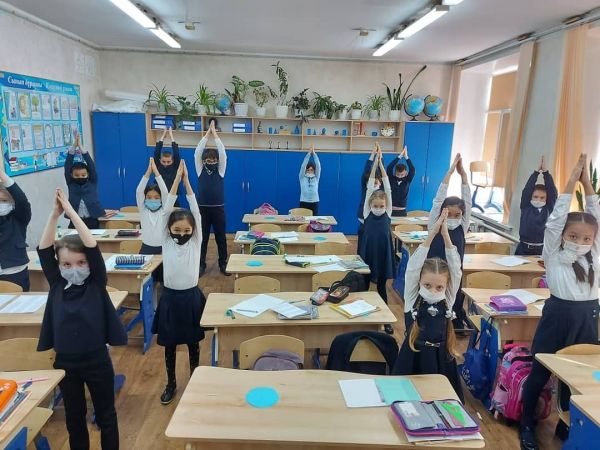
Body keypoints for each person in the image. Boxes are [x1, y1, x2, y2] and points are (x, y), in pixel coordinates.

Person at [519, 154, 600, 450]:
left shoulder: (595, 255)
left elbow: (596, 215)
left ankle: (568, 424)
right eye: (573, 236)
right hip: (557, 314)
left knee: (575, 377)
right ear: (564, 236)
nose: (580, 242)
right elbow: (554, 221)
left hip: (588, 316)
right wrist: (570, 181)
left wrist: (588, 185)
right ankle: (526, 424)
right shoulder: (553, 254)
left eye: (587, 238)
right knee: (540, 372)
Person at [37, 188, 127, 450]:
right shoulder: (57, 284)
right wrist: (55, 215)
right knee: (74, 420)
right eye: (66, 265)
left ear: (89, 264)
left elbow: (92, 247)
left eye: (80, 263)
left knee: (106, 416)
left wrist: (71, 212)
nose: (74, 269)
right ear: (59, 266)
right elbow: (44, 249)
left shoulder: (96, 282)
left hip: (97, 361)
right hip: (66, 364)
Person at [393, 208, 464, 401]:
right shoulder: (412, 298)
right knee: (408, 400)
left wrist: (446, 236)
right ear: (419, 282)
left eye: (439, 287)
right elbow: (413, 267)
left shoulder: (447, 299)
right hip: (413, 357)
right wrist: (432, 233)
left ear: (446, 287)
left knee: (442, 400)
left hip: (442, 359)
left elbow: (456, 270)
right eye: (427, 285)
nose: (433, 291)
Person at [152, 160, 206, 405]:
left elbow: (196, 212)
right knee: (170, 345)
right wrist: (176, 181)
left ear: (193, 231)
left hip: (191, 297)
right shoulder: (166, 240)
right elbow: (166, 211)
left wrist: (187, 183)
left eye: (186, 231)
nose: (182, 234)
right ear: (169, 229)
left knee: (194, 343)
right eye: (177, 230)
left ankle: (195, 381)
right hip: (170, 299)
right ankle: (171, 383)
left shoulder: (195, 241)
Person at [427, 153, 471, 330]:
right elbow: (438, 200)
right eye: (448, 214)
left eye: (457, 215)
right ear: (442, 213)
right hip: (433, 272)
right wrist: (450, 173)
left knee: (452, 301)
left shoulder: (463, 226)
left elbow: (467, 201)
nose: (453, 218)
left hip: (454, 273)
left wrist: (464, 177)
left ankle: (451, 324)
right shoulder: (435, 224)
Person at [358, 144, 395, 334]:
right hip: (368, 253)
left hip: (382, 254)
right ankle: (359, 314)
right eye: (376, 205)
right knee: (364, 285)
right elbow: (369, 186)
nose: (379, 208)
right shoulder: (367, 211)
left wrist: (381, 165)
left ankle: (386, 320)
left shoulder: (388, 213)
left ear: (386, 205)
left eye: (381, 205)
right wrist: (375, 165)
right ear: (370, 204)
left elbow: (387, 187)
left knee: (381, 287)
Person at [194, 120, 229, 276]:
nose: (211, 162)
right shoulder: (200, 170)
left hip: (218, 209)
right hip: (202, 209)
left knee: (221, 238)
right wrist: (207, 134)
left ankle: (223, 264)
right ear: (203, 162)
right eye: (208, 160)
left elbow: (222, 153)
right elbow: (197, 152)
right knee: (202, 239)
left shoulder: (220, 170)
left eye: (214, 160)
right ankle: (201, 265)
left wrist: (215, 135)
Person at [64, 131, 115, 229]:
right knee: (73, 238)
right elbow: (67, 166)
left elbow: (91, 166)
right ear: (71, 175)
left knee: (93, 238)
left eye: (83, 175)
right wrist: (74, 145)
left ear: (88, 174)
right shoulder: (71, 183)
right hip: (75, 220)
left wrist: (81, 147)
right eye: (77, 175)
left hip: (92, 220)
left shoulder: (92, 182)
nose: (80, 177)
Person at [0, 151, 31, 291]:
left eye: (4, 200)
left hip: (15, 271)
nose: (1, 204)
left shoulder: (19, 218)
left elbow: (22, 201)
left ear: (12, 203)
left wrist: (3, 176)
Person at [516, 156, 557, 256]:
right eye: (535, 197)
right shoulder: (525, 206)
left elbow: (552, 191)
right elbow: (527, 190)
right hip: (523, 248)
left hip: (541, 249)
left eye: (542, 198)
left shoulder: (548, 208)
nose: (538, 200)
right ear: (531, 197)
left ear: (546, 199)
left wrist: (546, 173)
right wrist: (536, 172)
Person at [135, 158, 169, 255]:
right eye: (149, 197)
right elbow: (139, 191)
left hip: (163, 247)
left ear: (161, 199)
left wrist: (156, 172)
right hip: (146, 247)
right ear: (145, 198)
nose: (152, 200)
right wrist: (148, 172)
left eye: (156, 197)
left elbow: (165, 192)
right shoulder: (143, 210)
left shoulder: (164, 210)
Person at [357, 146, 384, 249]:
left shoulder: (381, 192)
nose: (373, 184)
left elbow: (382, 171)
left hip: (376, 221)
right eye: (371, 182)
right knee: (362, 245)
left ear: (380, 183)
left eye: (375, 182)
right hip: (364, 221)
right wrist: (372, 155)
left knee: (372, 245)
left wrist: (380, 157)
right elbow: (366, 171)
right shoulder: (366, 189)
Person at [153, 127, 181, 204]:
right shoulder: (158, 166)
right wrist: (163, 136)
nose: (166, 164)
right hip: (159, 196)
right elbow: (157, 152)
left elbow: (176, 153)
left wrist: (171, 137)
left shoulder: (175, 166)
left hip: (172, 196)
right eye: (164, 162)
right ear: (160, 160)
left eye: (168, 162)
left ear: (173, 161)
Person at [386, 146, 415, 217]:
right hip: (390, 210)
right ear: (395, 173)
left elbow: (412, 169)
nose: (399, 176)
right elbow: (389, 167)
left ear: (405, 173)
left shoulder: (407, 180)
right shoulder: (391, 179)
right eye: (398, 174)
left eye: (402, 175)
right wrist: (399, 157)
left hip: (402, 211)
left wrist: (406, 157)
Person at [299, 145, 321, 215]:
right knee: (303, 220)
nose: (309, 171)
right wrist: (308, 154)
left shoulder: (316, 177)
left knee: (313, 220)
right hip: (304, 202)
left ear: (314, 170)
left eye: (311, 170)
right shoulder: (302, 177)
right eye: (308, 170)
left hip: (314, 202)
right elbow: (303, 166)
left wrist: (314, 154)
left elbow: (318, 166)